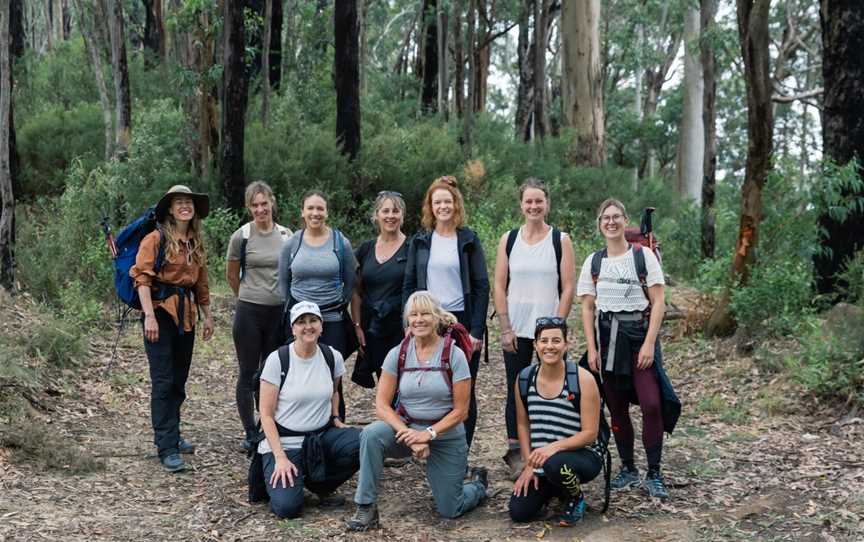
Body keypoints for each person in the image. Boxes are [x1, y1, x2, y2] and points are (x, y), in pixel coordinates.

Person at [346, 291, 488, 531]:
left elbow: (461, 411)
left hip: (445, 435)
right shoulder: (398, 353)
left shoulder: (453, 354)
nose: (419, 320)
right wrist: (409, 435)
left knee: (450, 509)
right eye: (413, 315)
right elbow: (381, 405)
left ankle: (477, 486)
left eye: (425, 314)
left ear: (437, 318)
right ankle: (366, 506)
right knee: (371, 434)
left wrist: (429, 434)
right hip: (408, 429)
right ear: (407, 320)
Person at [577, 198, 680, 500]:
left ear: (625, 221)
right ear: (599, 224)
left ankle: (655, 472)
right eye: (605, 218)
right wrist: (591, 348)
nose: (611, 222)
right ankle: (628, 468)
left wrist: (649, 342)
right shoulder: (594, 262)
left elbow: (659, 301)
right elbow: (586, 308)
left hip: (638, 338)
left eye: (616, 217)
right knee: (617, 407)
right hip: (607, 341)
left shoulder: (643, 256)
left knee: (651, 403)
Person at [493, 178, 575, 477]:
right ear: (521, 204)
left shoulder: (560, 240)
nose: (534, 206)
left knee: (552, 386)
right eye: (528, 201)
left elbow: (568, 288)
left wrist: (557, 328)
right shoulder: (509, 239)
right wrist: (504, 326)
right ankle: (516, 451)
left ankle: (552, 445)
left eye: (539, 201)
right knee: (517, 387)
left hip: (548, 333)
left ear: (547, 204)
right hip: (515, 328)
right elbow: (499, 285)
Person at [130, 185, 214, 473]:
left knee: (178, 380)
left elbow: (201, 282)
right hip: (161, 315)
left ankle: (174, 434)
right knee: (163, 381)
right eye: (179, 202)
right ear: (169, 208)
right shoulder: (155, 239)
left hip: (186, 315)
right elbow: (142, 280)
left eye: (188, 202)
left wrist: (208, 315)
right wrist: (149, 317)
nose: (184, 206)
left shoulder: (195, 241)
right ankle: (165, 446)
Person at [403, 176, 489, 448]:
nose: (443, 206)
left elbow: (481, 285)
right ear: (430, 206)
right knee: (434, 386)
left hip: (461, 320)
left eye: (447, 201)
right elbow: (408, 284)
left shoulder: (468, 239)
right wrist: (408, 321)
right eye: (437, 201)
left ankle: (460, 450)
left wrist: (476, 330)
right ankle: (433, 443)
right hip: (428, 320)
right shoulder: (421, 241)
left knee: (463, 388)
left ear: (456, 204)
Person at [258, 301, 361, 519]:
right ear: (292, 328)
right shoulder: (278, 360)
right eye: (301, 322)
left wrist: (335, 416)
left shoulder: (331, 356)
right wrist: (280, 457)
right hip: (284, 442)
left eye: (313, 320)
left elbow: (334, 391)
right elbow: (266, 415)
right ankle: (280, 475)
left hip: (319, 438)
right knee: (287, 508)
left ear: (321, 326)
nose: (308, 327)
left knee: (364, 441)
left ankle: (320, 485)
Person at [509, 317, 603, 526]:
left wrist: (553, 448)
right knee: (519, 512)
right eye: (544, 341)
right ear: (535, 345)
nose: (549, 346)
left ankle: (575, 496)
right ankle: (555, 487)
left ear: (566, 344)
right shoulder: (525, 378)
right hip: (544, 460)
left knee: (556, 464)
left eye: (556, 341)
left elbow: (590, 434)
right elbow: (523, 424)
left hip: (583, 456)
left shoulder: (582, 379)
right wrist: (528, 465)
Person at [278, 190, 357, 420]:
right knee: (298, 374)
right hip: (300, 321)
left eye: (320, 208)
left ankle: (336, 425)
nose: (315, 213)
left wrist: (339, 300)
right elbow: (283, 280)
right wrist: (293, 309)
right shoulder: (292, 243)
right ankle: (300, 426)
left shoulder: (340, 243)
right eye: (310, 208)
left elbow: (350, 279)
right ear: (302, 212)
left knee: (333, 376)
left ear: (327, 212)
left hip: (331, 319)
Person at [226, 181, 292, 452]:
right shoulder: (241, 236)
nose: (260, 209)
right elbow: (232, 274)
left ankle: (270, 427)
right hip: (249, 311)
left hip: (278, 312)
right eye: (255, 205)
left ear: (272, 203)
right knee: (248, 372)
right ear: (248, 207)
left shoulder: (287, 235)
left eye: (264, 203)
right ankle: (250, 432)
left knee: (272, 371)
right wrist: (248, 295)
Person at [350, 191, 409, 387]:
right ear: (376, 215)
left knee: (403, 383)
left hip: (402, 328)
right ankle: (387, 418)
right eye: (385, 211)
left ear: (402, 215)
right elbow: (356, 291)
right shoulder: (365, 250)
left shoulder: (413, 247)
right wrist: (357, 326)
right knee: (384, 383)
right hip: (372, 327)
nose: (390, 216)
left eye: (395, 211)